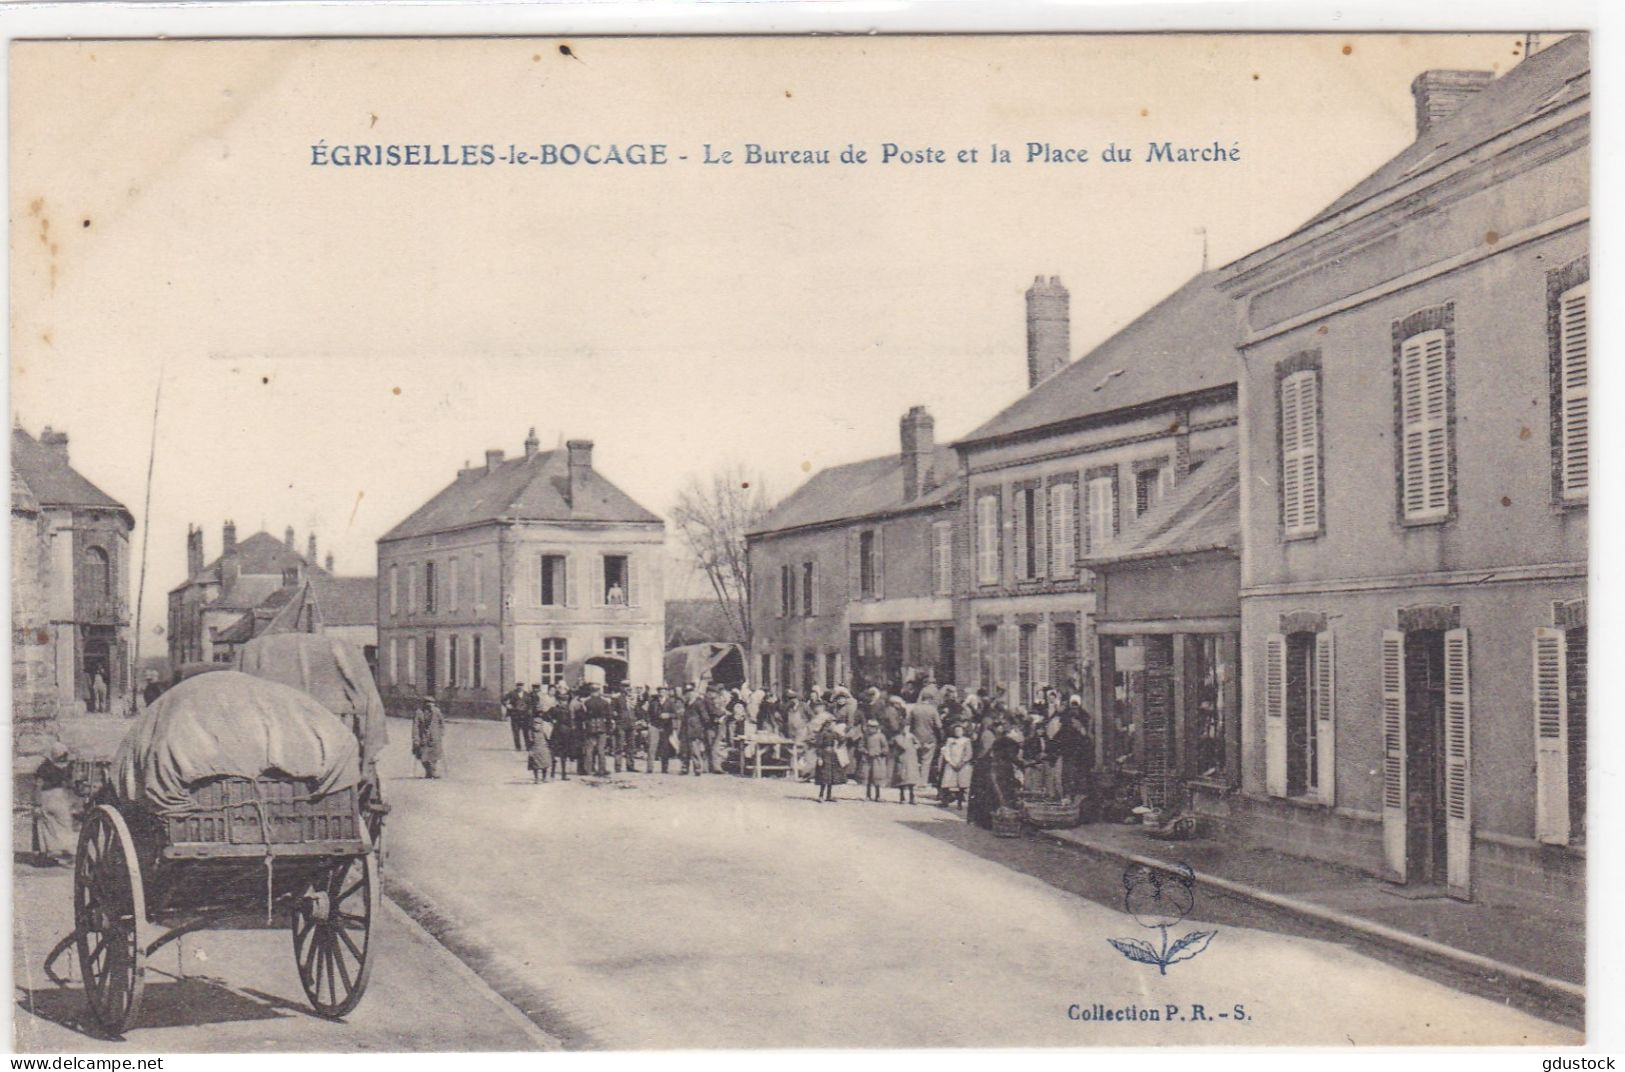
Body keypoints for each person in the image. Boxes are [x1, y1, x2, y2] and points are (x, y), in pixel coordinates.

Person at [34, 742, 77, 864]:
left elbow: (38, 785)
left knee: (49, 825)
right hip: (59, 795)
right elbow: (69, 783)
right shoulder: (66, 767)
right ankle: (69, 851)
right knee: (65, 824)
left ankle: (53, 852)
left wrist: (37, 803)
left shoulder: (43, 767)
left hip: (46, 796)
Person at [813, 710, 847, 803]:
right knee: (824, 776)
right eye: (832, 723)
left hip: (832, 755)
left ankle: (829, 796)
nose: (834, 725)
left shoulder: (834, 733)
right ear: (828, 724)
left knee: (831, 776)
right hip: (824, 755)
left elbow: (842, 740)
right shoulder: (822, 733)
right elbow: (818, 746)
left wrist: (842, 736)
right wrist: (819, 758)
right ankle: (821, 796)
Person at [939, 723, 973, 808]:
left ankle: (960, 803)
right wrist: (950, 762)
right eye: (956, 731)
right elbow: (946, 751)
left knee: (962, 784)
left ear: (963, 732)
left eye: (960, 731)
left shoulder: (966, 740)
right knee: (946, 783)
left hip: (962, 764)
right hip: (951, 763)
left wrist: (963, 762)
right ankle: (945, 801)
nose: (958, 732)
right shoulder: (950, 740)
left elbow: (969, 753)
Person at [857, 718, 890, 802]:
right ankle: (868, 795)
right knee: (867, 777)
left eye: (873, 727)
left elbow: (886, 747)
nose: (871, 728)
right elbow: (860, 746)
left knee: (877, 778)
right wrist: (865, 751)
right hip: (867, 759)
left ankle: (877, 796)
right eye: (869, 726)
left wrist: (880, 753)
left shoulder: (881, 736)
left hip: (877, 760)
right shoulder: (865, 736)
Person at [412, 697, 445, 779]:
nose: (430, 705)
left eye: (431, 703)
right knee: (423, 755)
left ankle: (432, 771)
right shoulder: (419, 712)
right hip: (423, 737)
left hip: (434, 737)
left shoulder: (437, 712)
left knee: (434, 755)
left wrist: (441, 733)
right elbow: (415, 726)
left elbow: (442, 723)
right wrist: (416, 738)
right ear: (424, 704)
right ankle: (428, 772)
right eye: (427, 703)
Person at [680, 688, 709, 776]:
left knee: (695, 751)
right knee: (684, 750)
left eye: (689, 693)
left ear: (693, 693)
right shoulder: (686, 704)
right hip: (685, 730)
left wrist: (699, 727)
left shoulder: (698, 703)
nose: (687, 695)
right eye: (686, 693)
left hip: (694, 731)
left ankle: (697, 768)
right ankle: (685, 768)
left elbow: (705, 717)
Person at [891, 724, 922, 805]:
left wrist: (915, 747)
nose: (906, 730)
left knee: (911, 778)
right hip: (902, 759)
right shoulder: (898, 737)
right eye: (904, 728)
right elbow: (902, 746)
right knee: (902, 778)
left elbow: (918, 743)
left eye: (907, 728)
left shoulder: (911, 736)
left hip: (911, 759)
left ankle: (912, 797)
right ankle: (902, 797)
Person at [528, 707, 554, 783]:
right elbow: (548, 736)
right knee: (541, 763)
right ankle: (541, 778)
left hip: (539, 748)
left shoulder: (532, 727)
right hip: (540, 747)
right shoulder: (544, 725)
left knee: (539, 764)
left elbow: (530, 739)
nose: (536, 726)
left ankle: (540, 778)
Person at [502, 683, 527, 751]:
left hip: (524, 716)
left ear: (523, 686)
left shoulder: (526, 694)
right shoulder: (512, 693)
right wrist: (507, 705)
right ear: (516, 686)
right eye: (518, 685)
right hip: (515, 715)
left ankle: (528, 746)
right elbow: (503, 700)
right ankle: (518, 747)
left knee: (526, 732)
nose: (520, 687)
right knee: (516, 731)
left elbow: (529, 703)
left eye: (521, 685)